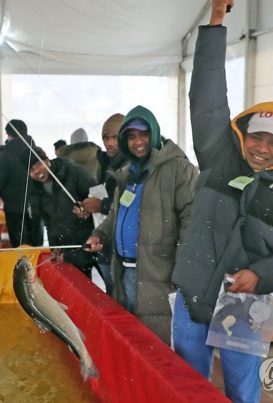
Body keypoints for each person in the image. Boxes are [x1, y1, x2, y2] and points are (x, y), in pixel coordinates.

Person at [170, 2, 273, 402]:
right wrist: (216, 23)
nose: (262, 149)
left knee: (242, 387)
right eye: (257, 137)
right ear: (243, 134)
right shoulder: (220, 158)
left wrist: (263, 274)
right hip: (194, 292)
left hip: (246, 302)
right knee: (186, 381)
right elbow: (207, 96)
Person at [84, 105, 197, 345]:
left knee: (157, 345)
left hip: (158, 275)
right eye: (131, 137)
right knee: (131, 342)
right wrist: (99, 234)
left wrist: (183, 266)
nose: (138, 142)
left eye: (143, 134)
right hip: (124, 271)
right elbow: (116, 215)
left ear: (154, 133)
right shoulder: (127, 174)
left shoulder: (178, 169)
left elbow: (192, 219)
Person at [20, 146, 98, 277]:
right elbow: (49, 224)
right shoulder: (34, 191)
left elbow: (99, 195)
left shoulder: (74, 171)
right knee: (82, 291)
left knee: (111, 291)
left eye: (39, 164)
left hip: (93, 243)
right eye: (31, 170)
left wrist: (87, 208)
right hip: (70, 251)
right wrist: (54, 248)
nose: (37, 171)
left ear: (47, 159)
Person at [78, 113, 128, 295]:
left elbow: (134, 205)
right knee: (112, 294)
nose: (109, 143)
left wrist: (101, 206)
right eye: (106, 138)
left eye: (114, 137)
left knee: (121, 297)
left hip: (122, 250)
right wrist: (88, 207)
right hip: (105, 242)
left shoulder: (131, 166)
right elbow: (106, 195)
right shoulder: (107, 164)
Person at [0, 119, 43, 248]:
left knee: (20, 246)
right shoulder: (38, 151)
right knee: (36, 246)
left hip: (14, 207)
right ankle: (37, 268)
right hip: (37, 206)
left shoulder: (6, 154)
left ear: (9, 135)